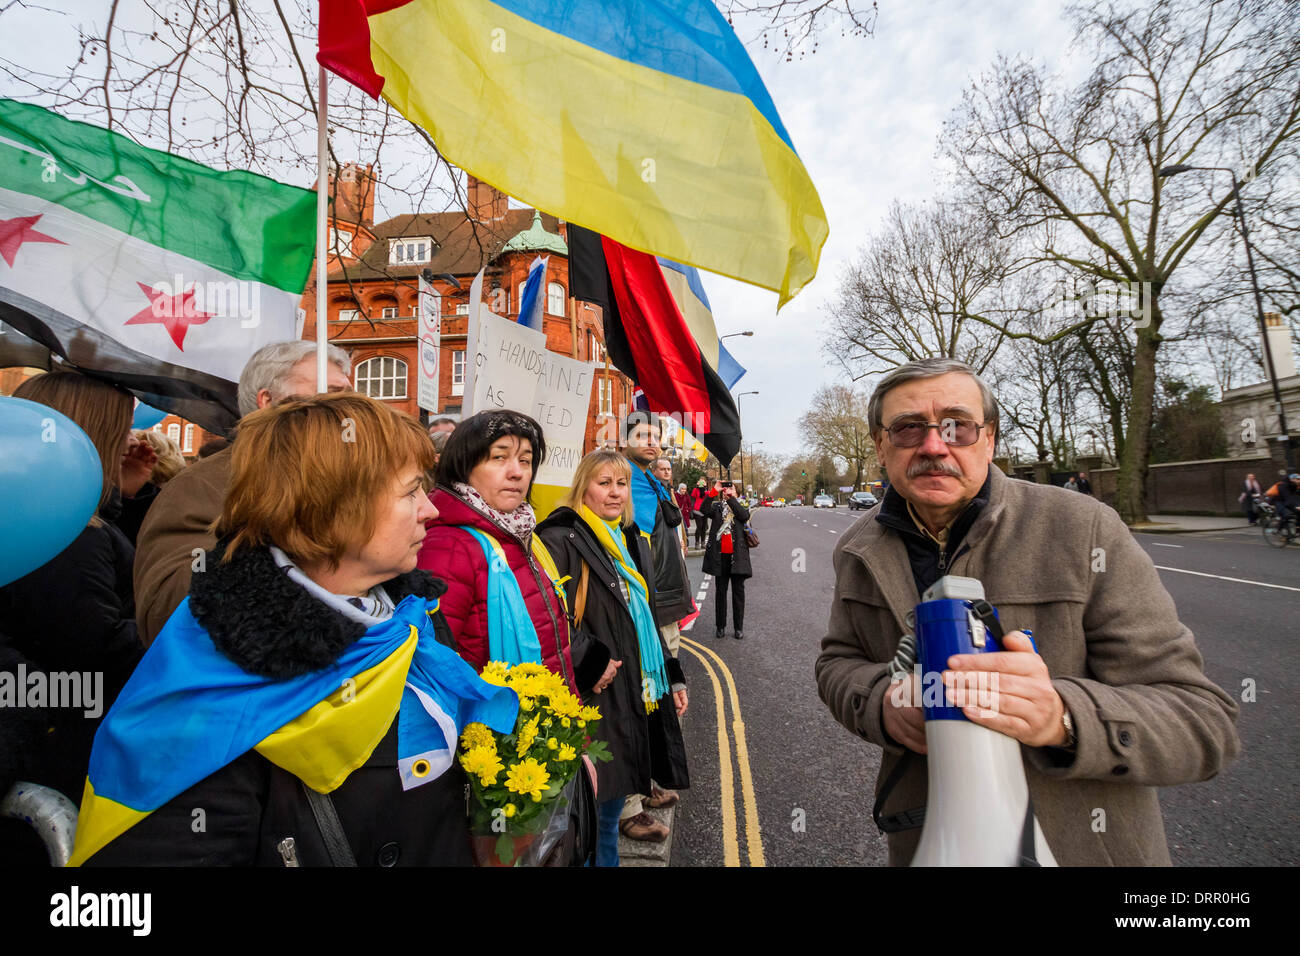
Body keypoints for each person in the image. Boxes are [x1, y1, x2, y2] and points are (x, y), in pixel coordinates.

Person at [815, 357, 1240, 866]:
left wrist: (1060, 717)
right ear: (881, 446)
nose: (934, 446)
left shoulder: (1085, 529)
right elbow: (837, 663)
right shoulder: (856, 548)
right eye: (909, 429)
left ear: (988, 438)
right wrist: (883, 703)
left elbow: (1203, 723)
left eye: (957, 426)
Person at [69, 393, 518, 866]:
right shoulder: (219, 677)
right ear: (334, 507)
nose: (431, 510)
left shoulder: (412, 612)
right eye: (410, 492)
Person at [132, 340, 352, 647]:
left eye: (350, 397)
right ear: (268, 401)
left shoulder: (353, 481)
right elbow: (165, 611)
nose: (350, 412)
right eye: (329, 395)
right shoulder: (201, 486)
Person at [536, 450, 690, 866]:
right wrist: (592, 661)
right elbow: (548, 616)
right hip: (594, 697)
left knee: (607, 817)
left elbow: (649, 617)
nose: (615, 492)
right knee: (584, 821)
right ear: (582, 486)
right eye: (604, 483)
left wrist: (673, 675)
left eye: (621, 484)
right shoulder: (560, 538)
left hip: (634, 693)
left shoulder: (630, 539)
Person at [0, 371, 146, 808]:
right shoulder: (72, 535)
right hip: (69, 742)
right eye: (121, 429)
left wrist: (129, 493)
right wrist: (177, 631)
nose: (130, 442)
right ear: (92, 433)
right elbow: (89, 643)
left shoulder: (47, 516)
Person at [418, 410, 578, 689]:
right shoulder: (449, 546)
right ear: (464, 465)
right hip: (497, 727)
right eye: (499, 457)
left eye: (526, 460)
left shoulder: (523, 534)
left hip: (551, 720)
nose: (517, 472)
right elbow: (433, 669)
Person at [620, 413, 694, 830]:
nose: (652, 442)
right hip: (646, 607)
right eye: (642, 435)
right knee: (643, 697)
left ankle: (647, 781)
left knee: (659, 699)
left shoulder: (652, 481)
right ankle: (629, 807)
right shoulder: (624, 479)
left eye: (657, 436)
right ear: (625, 439)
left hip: (666, 606)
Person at [703, 480, 752, 641]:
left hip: (737, 556)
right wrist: (713, 492)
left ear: (737, 493)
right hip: (720, 556)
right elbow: (703, 509)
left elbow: (744, 516)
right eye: (726, 489)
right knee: (720, 593)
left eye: (732, 489)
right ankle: (720, 626)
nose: (728, 491)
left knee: (738, 593)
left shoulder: (741, 505)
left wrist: (731, 499)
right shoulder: (717, 507)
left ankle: (738, 628)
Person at [689, 478, 711, 549]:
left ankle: (703, 542)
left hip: (704, 511)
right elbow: (692, 499)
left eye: (703, 482)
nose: (701, 483)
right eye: (700, 482)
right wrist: (691, 510)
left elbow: (710, 498)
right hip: (697, 510)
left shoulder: (707, 491)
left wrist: (705, 487)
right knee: (699, 527)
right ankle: (697, 543)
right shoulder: (695, 490)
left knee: (704, 527)